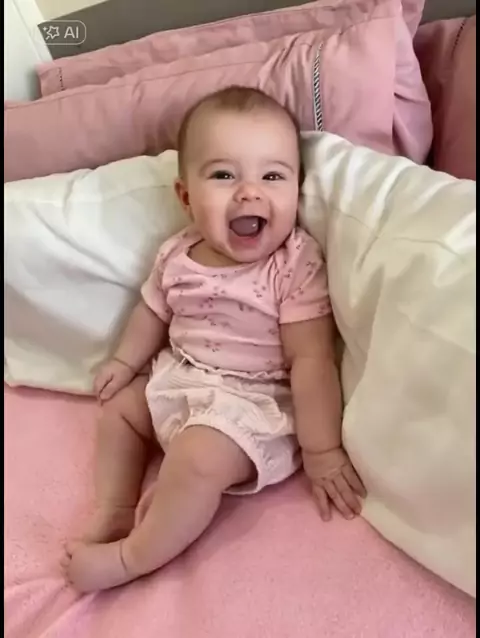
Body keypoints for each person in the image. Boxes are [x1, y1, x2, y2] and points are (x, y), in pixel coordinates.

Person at [63, 86, 366, 593]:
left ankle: (131, 558)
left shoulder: (293, 263)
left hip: (252, 404)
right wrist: (124, 361)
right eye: (224, 175)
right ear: (186, 197)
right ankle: (115, 507)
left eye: (272, 176)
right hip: (178, 377)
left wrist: (323, 450)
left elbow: (311, 359)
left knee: (196, 462)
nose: (249, 193)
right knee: (119, 412)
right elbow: (150, 312)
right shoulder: (176, 254)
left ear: (297, 190)